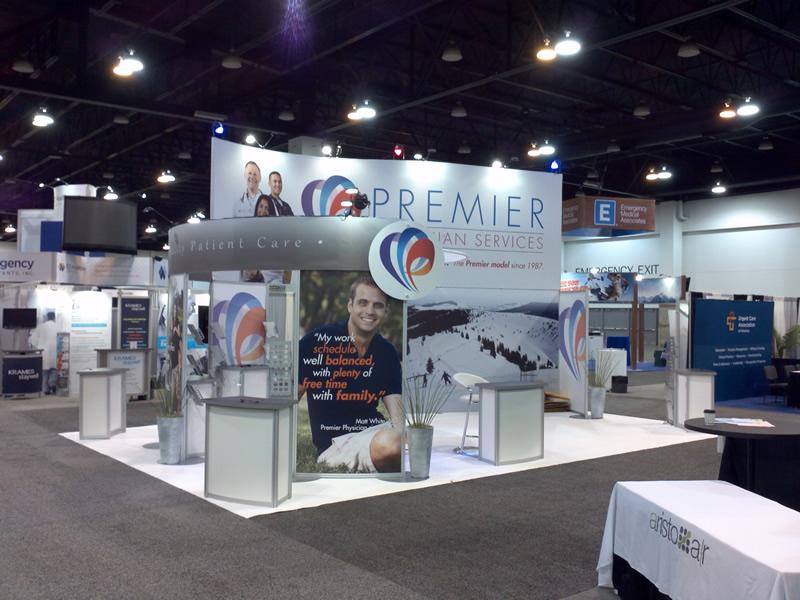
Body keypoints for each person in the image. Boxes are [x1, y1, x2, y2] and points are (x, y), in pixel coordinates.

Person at [298, 276, 402, 473]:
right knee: (391, 445)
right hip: (338, 444)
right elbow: (290, 400)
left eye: (378, 305)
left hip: (376, 431)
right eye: (363, 303)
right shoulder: (317, 342)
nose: (370, 311)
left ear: (386, 311)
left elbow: (397, 414)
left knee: (411, 436)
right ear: (350, 305)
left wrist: (405, 434)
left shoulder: (387, 351)